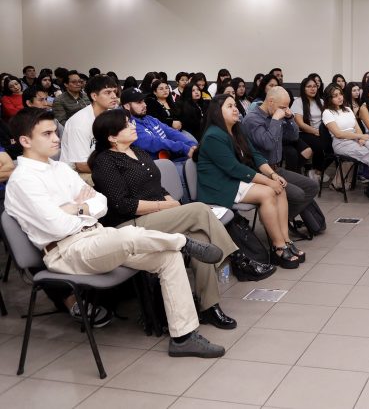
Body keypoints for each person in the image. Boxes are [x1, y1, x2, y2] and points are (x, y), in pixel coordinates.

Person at [4, 108, 226, 358]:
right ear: (25, 141)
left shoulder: (61, 169)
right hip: (66, 252)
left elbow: (102, 203)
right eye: (47, 134)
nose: (56, 138)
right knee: (129, 235)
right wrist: (83, 208)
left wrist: (75, 208)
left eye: (55, 131)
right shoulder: (23, 181)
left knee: (168, 257)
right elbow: (57, 226)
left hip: (95, 237)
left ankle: (183, 337)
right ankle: (183, 241)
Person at [89, 111, 273, 328]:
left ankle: (209, 307)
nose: (133, 126)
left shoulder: (138, 151)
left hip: (159, 217)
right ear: (111, 136)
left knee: (200, 239)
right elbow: (123, 205)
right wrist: (167, 206)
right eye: (126, 124)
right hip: (129, 226)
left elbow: (158, 188)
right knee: (199, 209)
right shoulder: (105, 162)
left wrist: (169, 203)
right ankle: (239, 258)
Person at [196, 95, 304, 269]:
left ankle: (286, 240)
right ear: (217, 112)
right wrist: (269, 183)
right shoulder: (213, 136)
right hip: (219, 186)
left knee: (280, 188)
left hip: (235, 180)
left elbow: (255, 155)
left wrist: (272, 175)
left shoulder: (237, 129)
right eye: (229, 106)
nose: (235, 109)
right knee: (269, 192)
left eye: (235, 105)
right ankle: (278, 248)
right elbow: (235, 169)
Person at [242, 86, 319, 221]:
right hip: (262, 173)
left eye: (286, 107)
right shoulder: (252, 119)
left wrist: (289, 119)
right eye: (283, 107)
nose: (285, 110)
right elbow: (268, 144)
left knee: (312, 186)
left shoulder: (277, 114)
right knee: (298, 194)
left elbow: (294, 136)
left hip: (277, 169)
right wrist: (276, 120)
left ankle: (280, 220)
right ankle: (273, 221)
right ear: (271, 101)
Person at [321, 84, 369, 202]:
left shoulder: (347, 109)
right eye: (335, 96)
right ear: (329, 98)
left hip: (355, 139)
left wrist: (361, 138)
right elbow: (339, 134)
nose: (340, 97)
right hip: (341, 143)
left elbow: (357, 127)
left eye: (340, 94)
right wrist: (360, 136)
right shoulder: (327, 112)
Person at [60, 75, 120, 177]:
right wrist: (116, 169)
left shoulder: (110, 114)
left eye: (114, 91)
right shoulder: (79, 123)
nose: (114, 96)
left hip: (102, 164)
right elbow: (81, 165)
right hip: (76, 174)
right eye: (108, 92)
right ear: (94, 96)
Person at [292, 77, 326, 182]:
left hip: (319, 133)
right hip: (303, 132)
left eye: (314, 86)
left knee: (332, 146)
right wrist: (316, 132)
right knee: (320, 145)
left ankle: (317, 171)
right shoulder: (298, 102)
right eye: (309, 86)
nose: (312, 89)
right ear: (304, 89)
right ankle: (312, 171)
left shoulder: (321, 101)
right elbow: (300, 124)